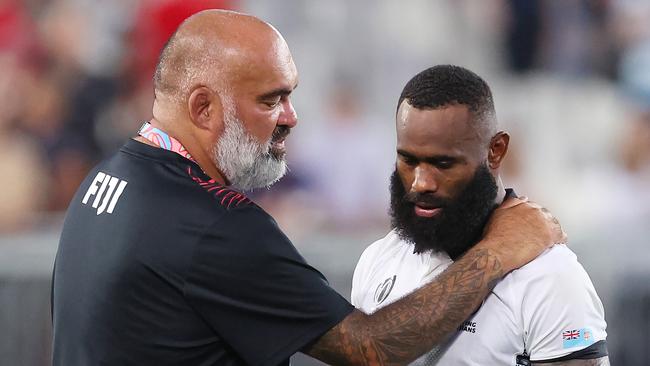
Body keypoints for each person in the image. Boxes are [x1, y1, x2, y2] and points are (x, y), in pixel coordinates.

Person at [51, 11, 564, 366]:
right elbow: (372, 350)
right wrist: (497, 251)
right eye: (271, 100)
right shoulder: (214, 227)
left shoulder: (106, 179)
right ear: (203, 108)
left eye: (290, 94)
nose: (292, 118)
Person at [351, 65, 609, 365]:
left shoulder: (551, 277)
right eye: (408, 160)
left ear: (495, 151)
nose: (421, 183)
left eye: (443, 164)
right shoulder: (377, 259)